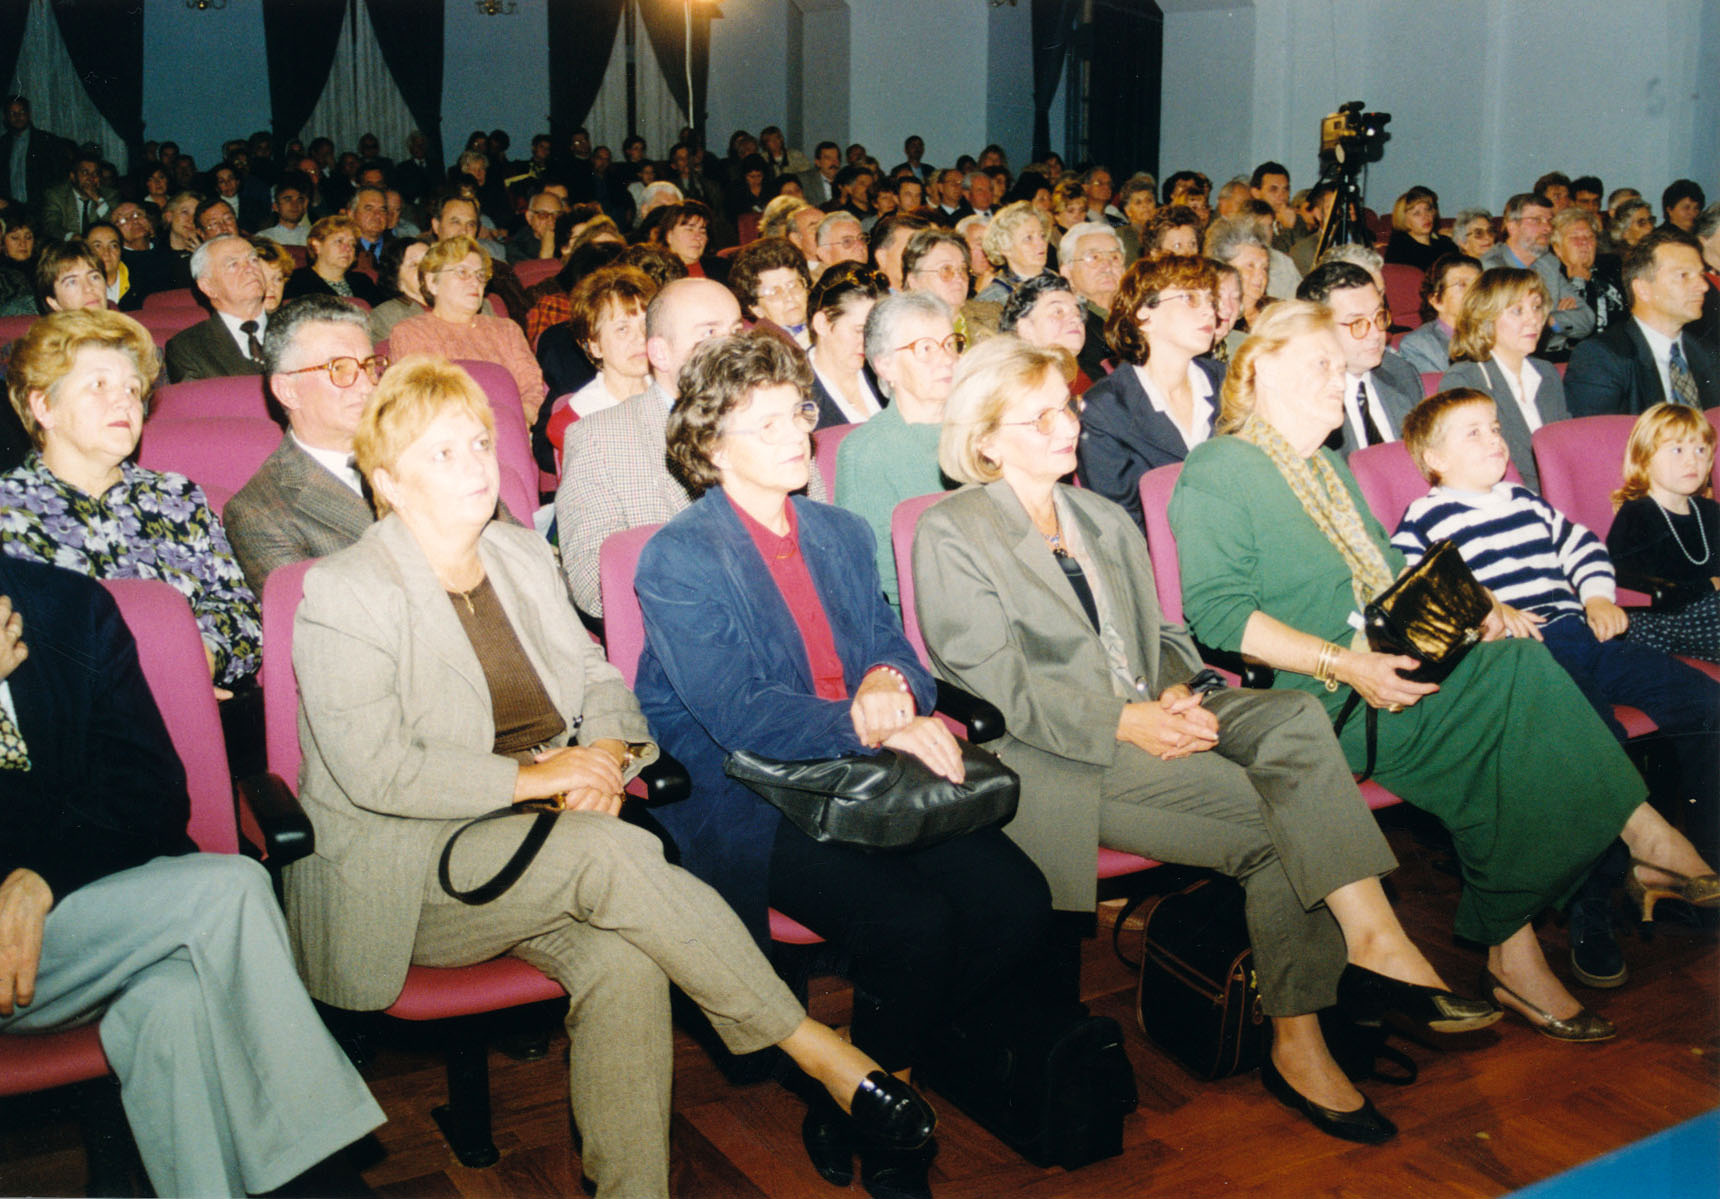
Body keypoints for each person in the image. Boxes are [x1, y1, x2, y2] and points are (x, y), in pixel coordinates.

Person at [287, 354, 934, 1198]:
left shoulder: (519, 553)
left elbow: (599, 680)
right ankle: (816, 1050)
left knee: (625, 965)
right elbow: (377, 772)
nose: (477, 463)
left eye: (479, 442)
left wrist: (603, 757)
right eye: (442, 452)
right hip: (412, 869)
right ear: (386, 481)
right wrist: (538, 779)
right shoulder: (344, 592)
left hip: (547, 835)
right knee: (616, 853)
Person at [915, 335, 1500, 1145]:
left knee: (1294, 718)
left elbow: (1161, 633)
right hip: (1059, 753)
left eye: (1067, 407)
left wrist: (1177, 689)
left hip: (1153, 710)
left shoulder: (1097, 515)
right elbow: (996, 682)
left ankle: (1375, 938)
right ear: (985, 439)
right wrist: (1126, 719)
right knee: (1277, 822)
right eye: (1039, 416)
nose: (1067, 425)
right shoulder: (952, 530)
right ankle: (1300, 1041)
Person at [1169, 301, 1719, 1045]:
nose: (1338, 380)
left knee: (1519, 656)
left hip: (1393, 660)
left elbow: (1396, 572)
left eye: (1340, 367)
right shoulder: (1219, 468)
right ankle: (1625, 853)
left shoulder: (1324, 467)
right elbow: (1220, 618)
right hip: (1321, 694)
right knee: (1512, 712)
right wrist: (1347, 662)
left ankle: (1540, 933)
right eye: (1320, 365)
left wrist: (1479, 606)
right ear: (1259, 369)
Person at [632, 333, 1049, 1193]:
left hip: (864, 775)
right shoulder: (679, 556)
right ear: (711, 446)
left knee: (1017, 900)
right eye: (767, 423)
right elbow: (737, 712)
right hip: (752, 792)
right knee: (913, 924)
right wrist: (868, 723)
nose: (798, 432)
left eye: (799, 411)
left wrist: (892, 682)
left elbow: (894, 647)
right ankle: (890, 1137)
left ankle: (858, 1083)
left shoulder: (840, 530)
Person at [0, 554, 385, 1197]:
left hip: (95, 925)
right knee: (231, 888)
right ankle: (322, 1177)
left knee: (172, 1004)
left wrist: (43, 876)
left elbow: (149, 790)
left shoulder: (64, 604)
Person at [0, 309, 259, 690]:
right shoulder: (7, 513)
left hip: (200, 700)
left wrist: (198, 661)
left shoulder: (177, 496)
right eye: (99, 385)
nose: (124, 402)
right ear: (44, 407)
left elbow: (239, 606)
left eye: (132, 389)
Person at [225, 295, 388, 594]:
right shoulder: (259, 512)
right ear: (288, 391)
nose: (368, 386)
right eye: (339, 369)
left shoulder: (419, 449)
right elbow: (318, 615)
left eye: (368, 366)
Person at [1077, 254, 1227, 527]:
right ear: (1143, 314)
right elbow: (1121, 525)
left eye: (1211, 301)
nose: (1209, 311)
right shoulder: (1105, 410)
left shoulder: (1228, 383)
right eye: (1190, 298)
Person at [836, 291, 962, 611]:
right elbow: (882, 582)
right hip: (934, 615)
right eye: (926, 348)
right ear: (885, 366)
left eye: (950, 344)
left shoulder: (984, 430)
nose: (947, 359)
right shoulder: (866, 452)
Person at [1605, 403, 1720, 663]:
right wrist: (1709, 585)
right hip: (1659, 620)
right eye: (1677, 450)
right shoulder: (1637, 514)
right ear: (1644, 459)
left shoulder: (1709, 511)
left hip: (1704, 612)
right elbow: (1634, 587)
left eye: (1701, 450)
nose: (1692, 460)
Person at [1438, 267, 1571, 491]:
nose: (1534, 319)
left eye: (1537, 307)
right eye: (1517, 311)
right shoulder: (1466, 380)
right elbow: (1470, 470)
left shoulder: (1546, 373)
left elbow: (1565, 452)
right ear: (1486, 319)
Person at [389, 235, 545, 423]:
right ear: (432, 283)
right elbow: (420, 404)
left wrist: (520, 419)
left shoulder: (507, 330)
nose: (475, 282)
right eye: (462, 272)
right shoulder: (410, 333)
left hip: (514, 428)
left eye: (480, 275)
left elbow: (533, 388)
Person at [1566, 229, 1718, 416]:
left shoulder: (1707, 354)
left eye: (1701, 275)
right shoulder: (1602, 357)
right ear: (1643, 289)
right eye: (1683, 275)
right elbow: (1597, 434)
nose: (1703, 286)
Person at [1296, 261, 1425, 456]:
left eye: (1378, 316)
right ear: (1318, 329)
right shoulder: (1304, 398)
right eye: (1357, 323)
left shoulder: (1401, 373)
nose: (1376, 333)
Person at [543, 264, 657, 461]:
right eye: (622, 329)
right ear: (594, 346)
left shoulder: (678, 394)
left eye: (646, 325)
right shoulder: (576, 421)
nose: (641, 338)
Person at [164, 232, 269, 382]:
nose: (250, 268)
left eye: (253, 260)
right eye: (233, 264)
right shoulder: (187, 347)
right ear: (208, 287)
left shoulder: (296, 325)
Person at [806, 260, 888, 428]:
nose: (869, 341)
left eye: (874, 331)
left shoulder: (887, 371)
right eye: (859, 330)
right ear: (822, 324)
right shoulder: (796, 392)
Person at [998, 274, 1091, 391]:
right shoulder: (1014, 388)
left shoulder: (1083, 379)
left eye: (1078, 313)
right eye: (1058, 312)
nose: (1076, 319)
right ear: (1025, 329)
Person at [1397, 253, 1482, 376]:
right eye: (1462, 285)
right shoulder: (1418, 346)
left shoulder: (1498, 332)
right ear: (1436, 300)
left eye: (1479, 284)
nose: (1474, 292)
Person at [729, 235, 813, 347]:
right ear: (757, 309)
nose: (789, 297)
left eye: (793, 286)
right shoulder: (761, 351)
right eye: (774, 293)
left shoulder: (827, 324)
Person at [284, 214, 384, 306]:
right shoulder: (295, 282)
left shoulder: (363, 282)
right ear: (316, 246)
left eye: (352, 244)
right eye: (339, 241)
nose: (348, 248)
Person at [973, 201, 1054, 304]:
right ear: (1005, 248)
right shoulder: (992, 299)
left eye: (1042, 236)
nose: (1041, 243)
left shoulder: (1061, 283)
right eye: (1028, 238)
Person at [367, 235, 431, 341]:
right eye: (414, 265)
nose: (426, 268)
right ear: (397, 280)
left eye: (430, 261)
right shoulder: (385, 316)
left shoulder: (454, 304)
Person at [1383, 186, 1459, 274]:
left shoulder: (1447, 244)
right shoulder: (1399, 251)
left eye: (1428, 209)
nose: (1426, 216)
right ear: (1403, 220)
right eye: (1417, 213)